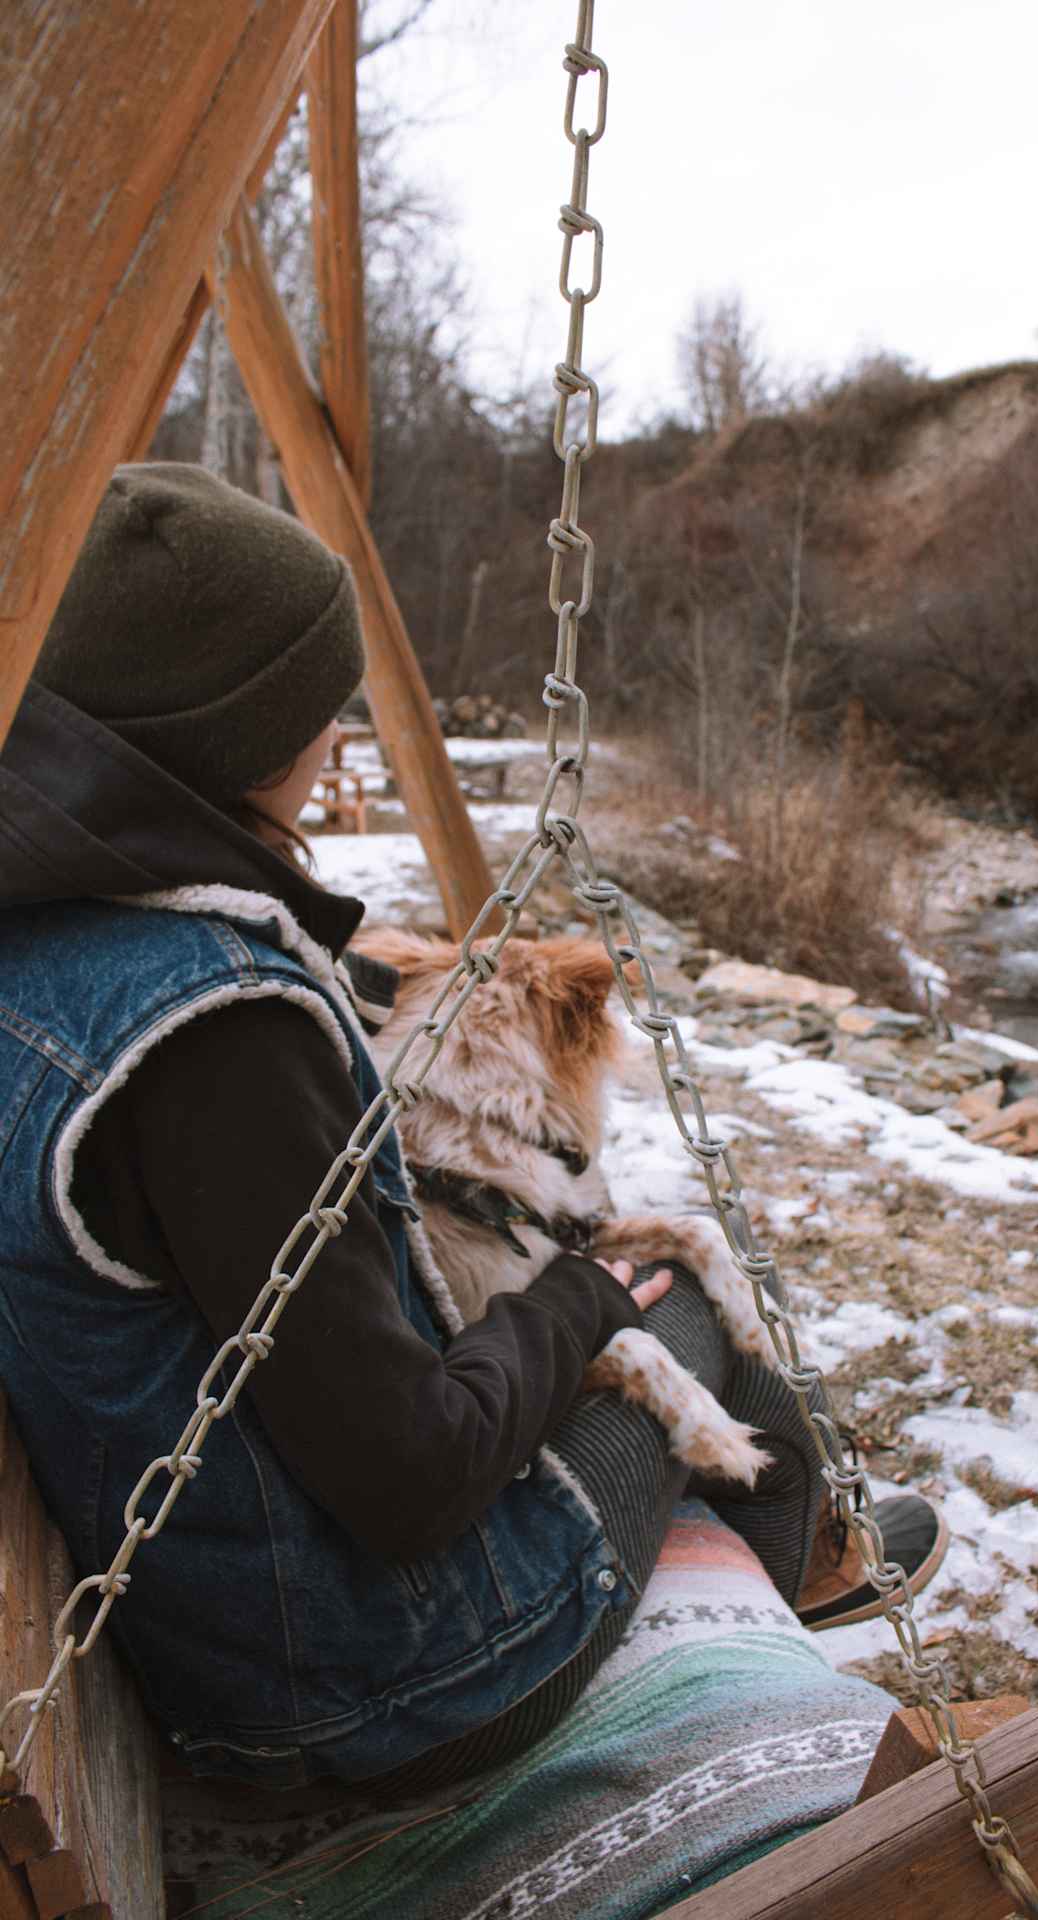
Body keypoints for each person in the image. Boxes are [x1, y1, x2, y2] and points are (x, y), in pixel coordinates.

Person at [0, 464, 946, 1796]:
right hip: (379, 1677)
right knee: (668, 1296)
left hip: (229, 1608)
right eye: (323, 705)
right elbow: (411, 1482)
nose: (336, 738)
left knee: (622, 1302)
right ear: (253, 733)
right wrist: (576, 1301)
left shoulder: (46, 924)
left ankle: (812, 1547)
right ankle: (808, 1558)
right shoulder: (218, 1037)